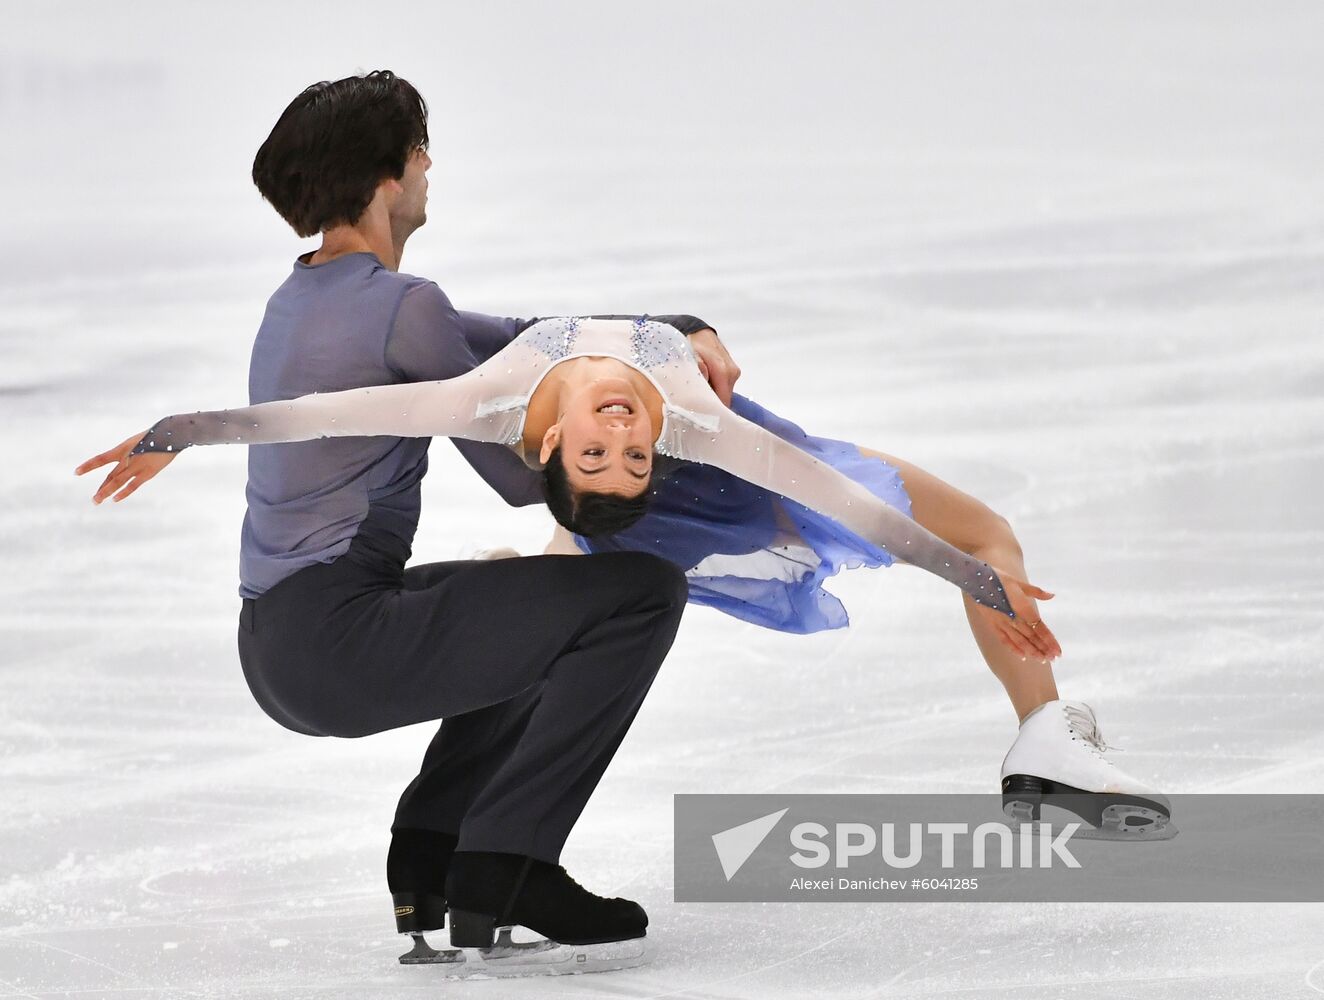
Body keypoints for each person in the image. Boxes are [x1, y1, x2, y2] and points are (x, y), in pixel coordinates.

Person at [73, 70, 748, 972]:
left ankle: (432, 860)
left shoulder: (306, 296)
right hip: (341, 640)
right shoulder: (403, 308)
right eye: (417, 150)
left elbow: (525, 336)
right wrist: (652, 452)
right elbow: (520, 478)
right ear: (389, 175)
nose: (430, 166)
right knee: (638, 595)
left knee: (522, 599)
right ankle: (511, 859)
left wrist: (676, 329)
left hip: (283, 643)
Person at [84, 312, 1172, 844]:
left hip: (676, 518)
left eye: (610, 445)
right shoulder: (625, 418)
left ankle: (1042, 742)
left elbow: (329, 413)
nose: (613, 428)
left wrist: (173, 429)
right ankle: (1044, 734)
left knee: (976, 545)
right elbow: (324, 416)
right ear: (550, 453)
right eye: (617, 447)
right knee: (988, 533)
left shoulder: (548, 404)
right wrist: (985, 583)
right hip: (699, 510)